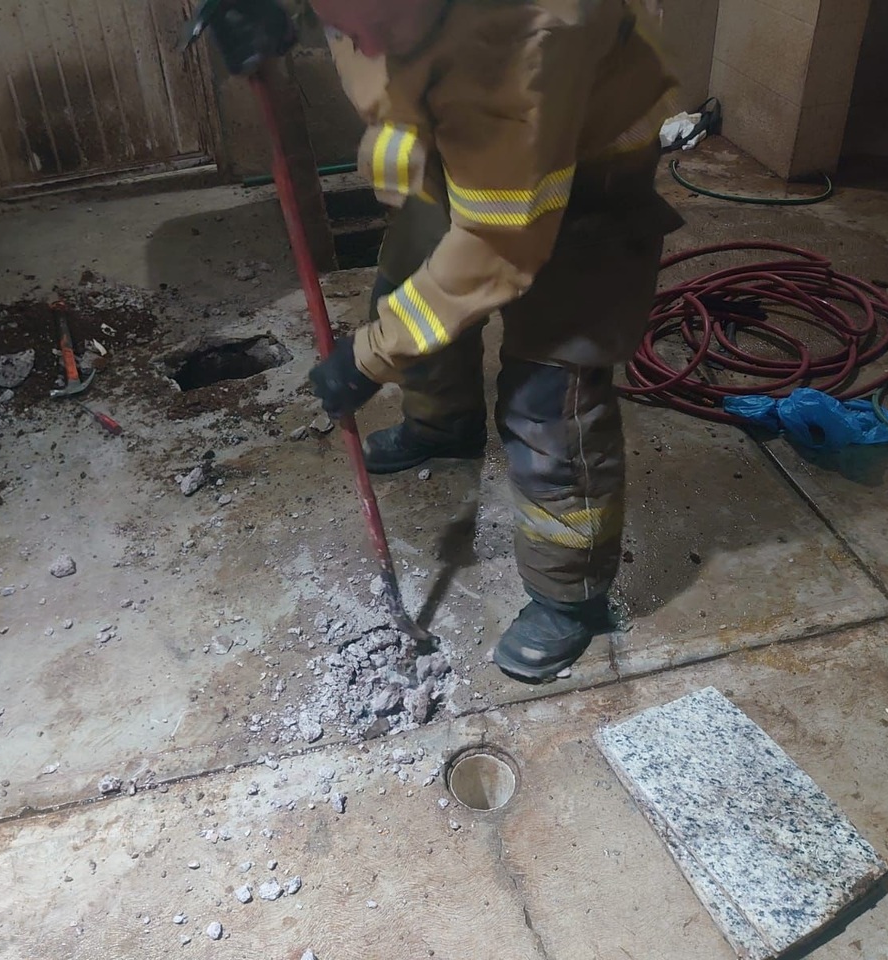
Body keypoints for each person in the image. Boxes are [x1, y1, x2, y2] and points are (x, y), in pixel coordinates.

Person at [207, 0, 683, 681]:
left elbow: (495, 247)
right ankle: (444, 425)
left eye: (375, 23)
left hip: (583, 162)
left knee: (551, 392)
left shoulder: (528, 38)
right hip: (450, 131)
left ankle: (568, 594)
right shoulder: (387, 19)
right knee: (408, 292)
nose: (362, 42)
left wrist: (367, 358)